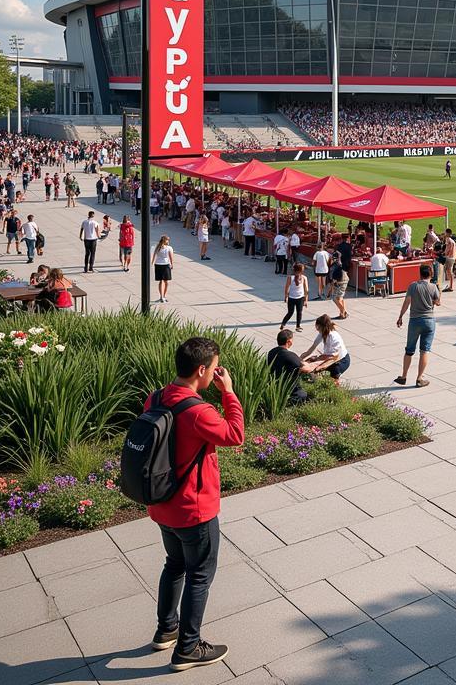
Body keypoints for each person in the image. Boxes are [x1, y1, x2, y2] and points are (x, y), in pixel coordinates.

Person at [146, 336, 244, 670]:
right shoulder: (198, 411)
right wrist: (228, 392)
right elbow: (235, 435)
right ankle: (188, 647)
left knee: (174, 564)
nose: (217, 374)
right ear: (202, 370)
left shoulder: (156, 397)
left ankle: (166, 630)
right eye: (215, 370)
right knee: (199, 575)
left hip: (162, 504)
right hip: (193, 508)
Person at [394, 264, 440, 388]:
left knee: (409, 350)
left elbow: (407, 302)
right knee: (424, 351)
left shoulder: (413, 286)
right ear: (431, 274)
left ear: (420, 274)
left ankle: (403, 376)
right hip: (429, 321)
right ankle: (420, 378)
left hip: (414, 321)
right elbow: (438, 302)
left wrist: (400, 317)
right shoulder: (433, 287)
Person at [266, 329, 320, 405]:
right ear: (289, 341)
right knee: (305, 395)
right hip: (291, 391)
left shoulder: (271, 352)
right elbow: (307, 369)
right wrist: (313, 364)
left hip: (275, 387)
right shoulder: (290, 355)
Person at [300, 314, 352, 384]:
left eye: (318, 328)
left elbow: (334, 357)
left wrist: (319, 363)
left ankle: (335, 390)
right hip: (330, 358)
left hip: (341, 361)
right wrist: (300, 359)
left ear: (323, 327)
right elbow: (312, 348)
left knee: (332, 381)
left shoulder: (333, 336)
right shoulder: (322, 333)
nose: (317, 330)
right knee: (315, 370)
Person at [280, 263, 309, 332]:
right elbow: (287, 287)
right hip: (292, 298)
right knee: (291, 312)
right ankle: (283, 324)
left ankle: (297, 326)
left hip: (300, 298)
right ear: (299, 270)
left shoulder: (304, 278)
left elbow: (306, 290)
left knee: (299, 312)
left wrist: (306, 300)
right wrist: (286, 297)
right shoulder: (291, 277)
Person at [327, 251, 349, 320]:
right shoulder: (340, 263)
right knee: (340, 298)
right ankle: (342, 314)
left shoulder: (335, 265)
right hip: (343, 281)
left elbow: (334, 277)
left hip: (340, 283)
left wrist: (330, 289)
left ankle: (344, 312)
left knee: (335, 298)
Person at [153, 234, 175, 304]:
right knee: (166, 281)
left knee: (160, 281)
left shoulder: (157, 247)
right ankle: (164, 296)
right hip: (165, 265)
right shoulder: (169, 248)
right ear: (165, 241)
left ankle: (161, 296)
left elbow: (154, 255)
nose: (168, 241)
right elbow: (171, 257)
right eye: (168, 240)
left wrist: (152, 262)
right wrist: (172, 264)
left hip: (158, 264)